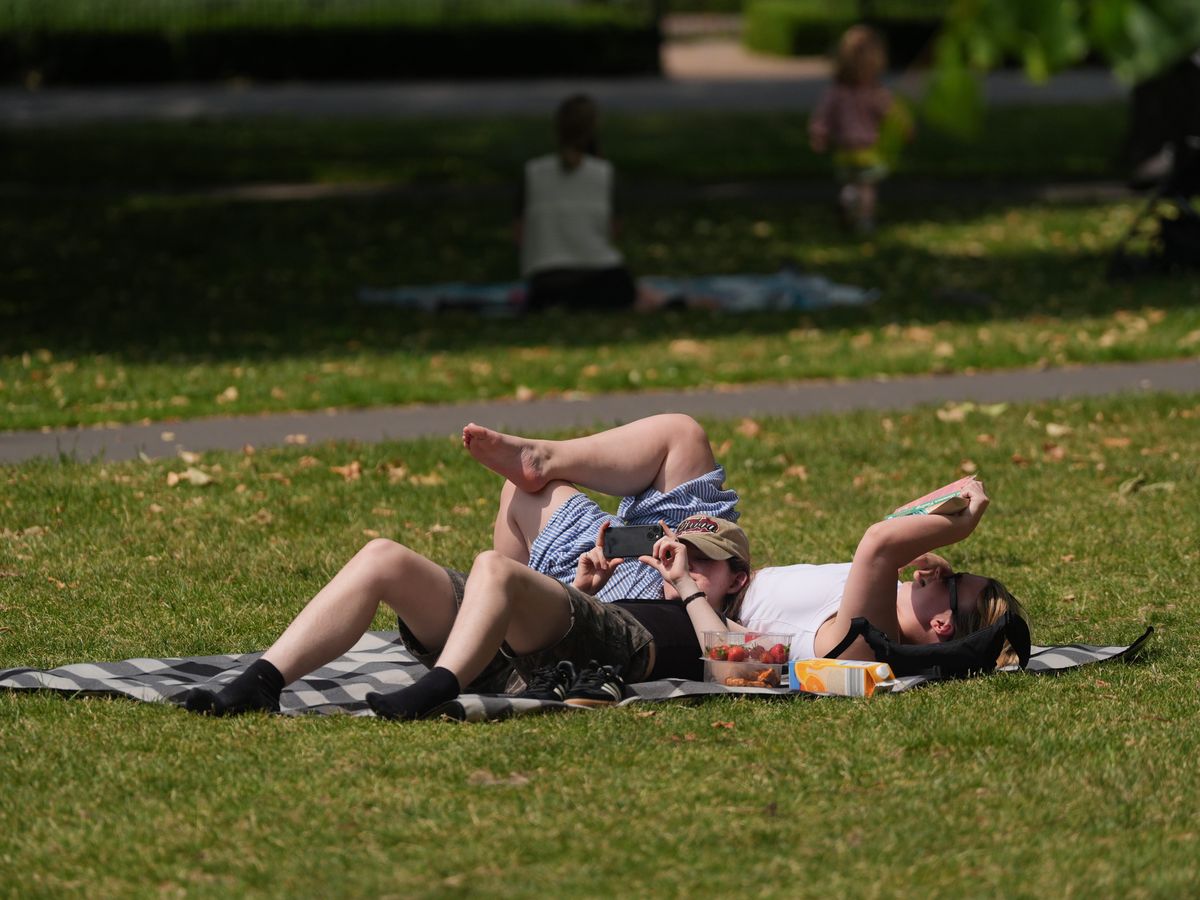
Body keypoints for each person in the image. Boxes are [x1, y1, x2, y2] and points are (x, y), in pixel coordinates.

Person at [183, 415, 751, 720]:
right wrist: (577, 587)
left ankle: (436, 688)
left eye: (708, 560)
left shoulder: (708, 619)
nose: (688, 560)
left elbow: (733, 665)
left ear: (738, 579)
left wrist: (683, 584)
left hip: (607, 639)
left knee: (494, 568)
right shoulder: (650, 562)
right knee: (384, 555)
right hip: (543, 629)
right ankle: (261, 682)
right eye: (683, 549)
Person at [467, 416, 1027, 669]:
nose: (937, 571)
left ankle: (500, 637)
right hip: (717, 556)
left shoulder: (862, 642)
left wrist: (959, 523)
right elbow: (895, 536)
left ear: (943, 627)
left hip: (670, 590)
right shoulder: (897, 595)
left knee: (523, 499)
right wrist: (943, 520)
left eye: (951, 584)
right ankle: (546, 457)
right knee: (681, 437)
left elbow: (879, 540)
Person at [517, 93, 638, 312]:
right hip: (602, 277)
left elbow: (520, 232)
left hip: (545, 280)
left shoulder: (532, 172)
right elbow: (613, 231)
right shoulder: (604, 174)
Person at [808, 24, 912, 234]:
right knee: (867, 188)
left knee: (850, 183)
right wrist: (905, 128)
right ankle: (864, 220)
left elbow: (822, 117)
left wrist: (819, 135)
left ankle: (847, 200)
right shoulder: (875, 93)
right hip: (868, 150)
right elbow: (893, 115)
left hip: (844, 149)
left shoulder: (836, 92)